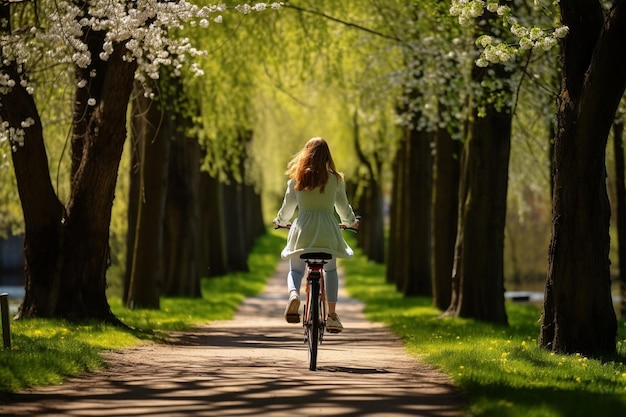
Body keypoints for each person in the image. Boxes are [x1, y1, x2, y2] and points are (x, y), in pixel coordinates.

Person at [273, 137, 359, 333]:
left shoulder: (296, 180)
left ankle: (294, 295)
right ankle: (332, 315)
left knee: (295, 271)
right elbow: (344, 209)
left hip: (302, 232)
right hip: (327, 232)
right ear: (327, 156)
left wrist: (279, 221)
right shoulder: (335, 180)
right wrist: (350, 222)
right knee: (330, 271)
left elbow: (287, 210)